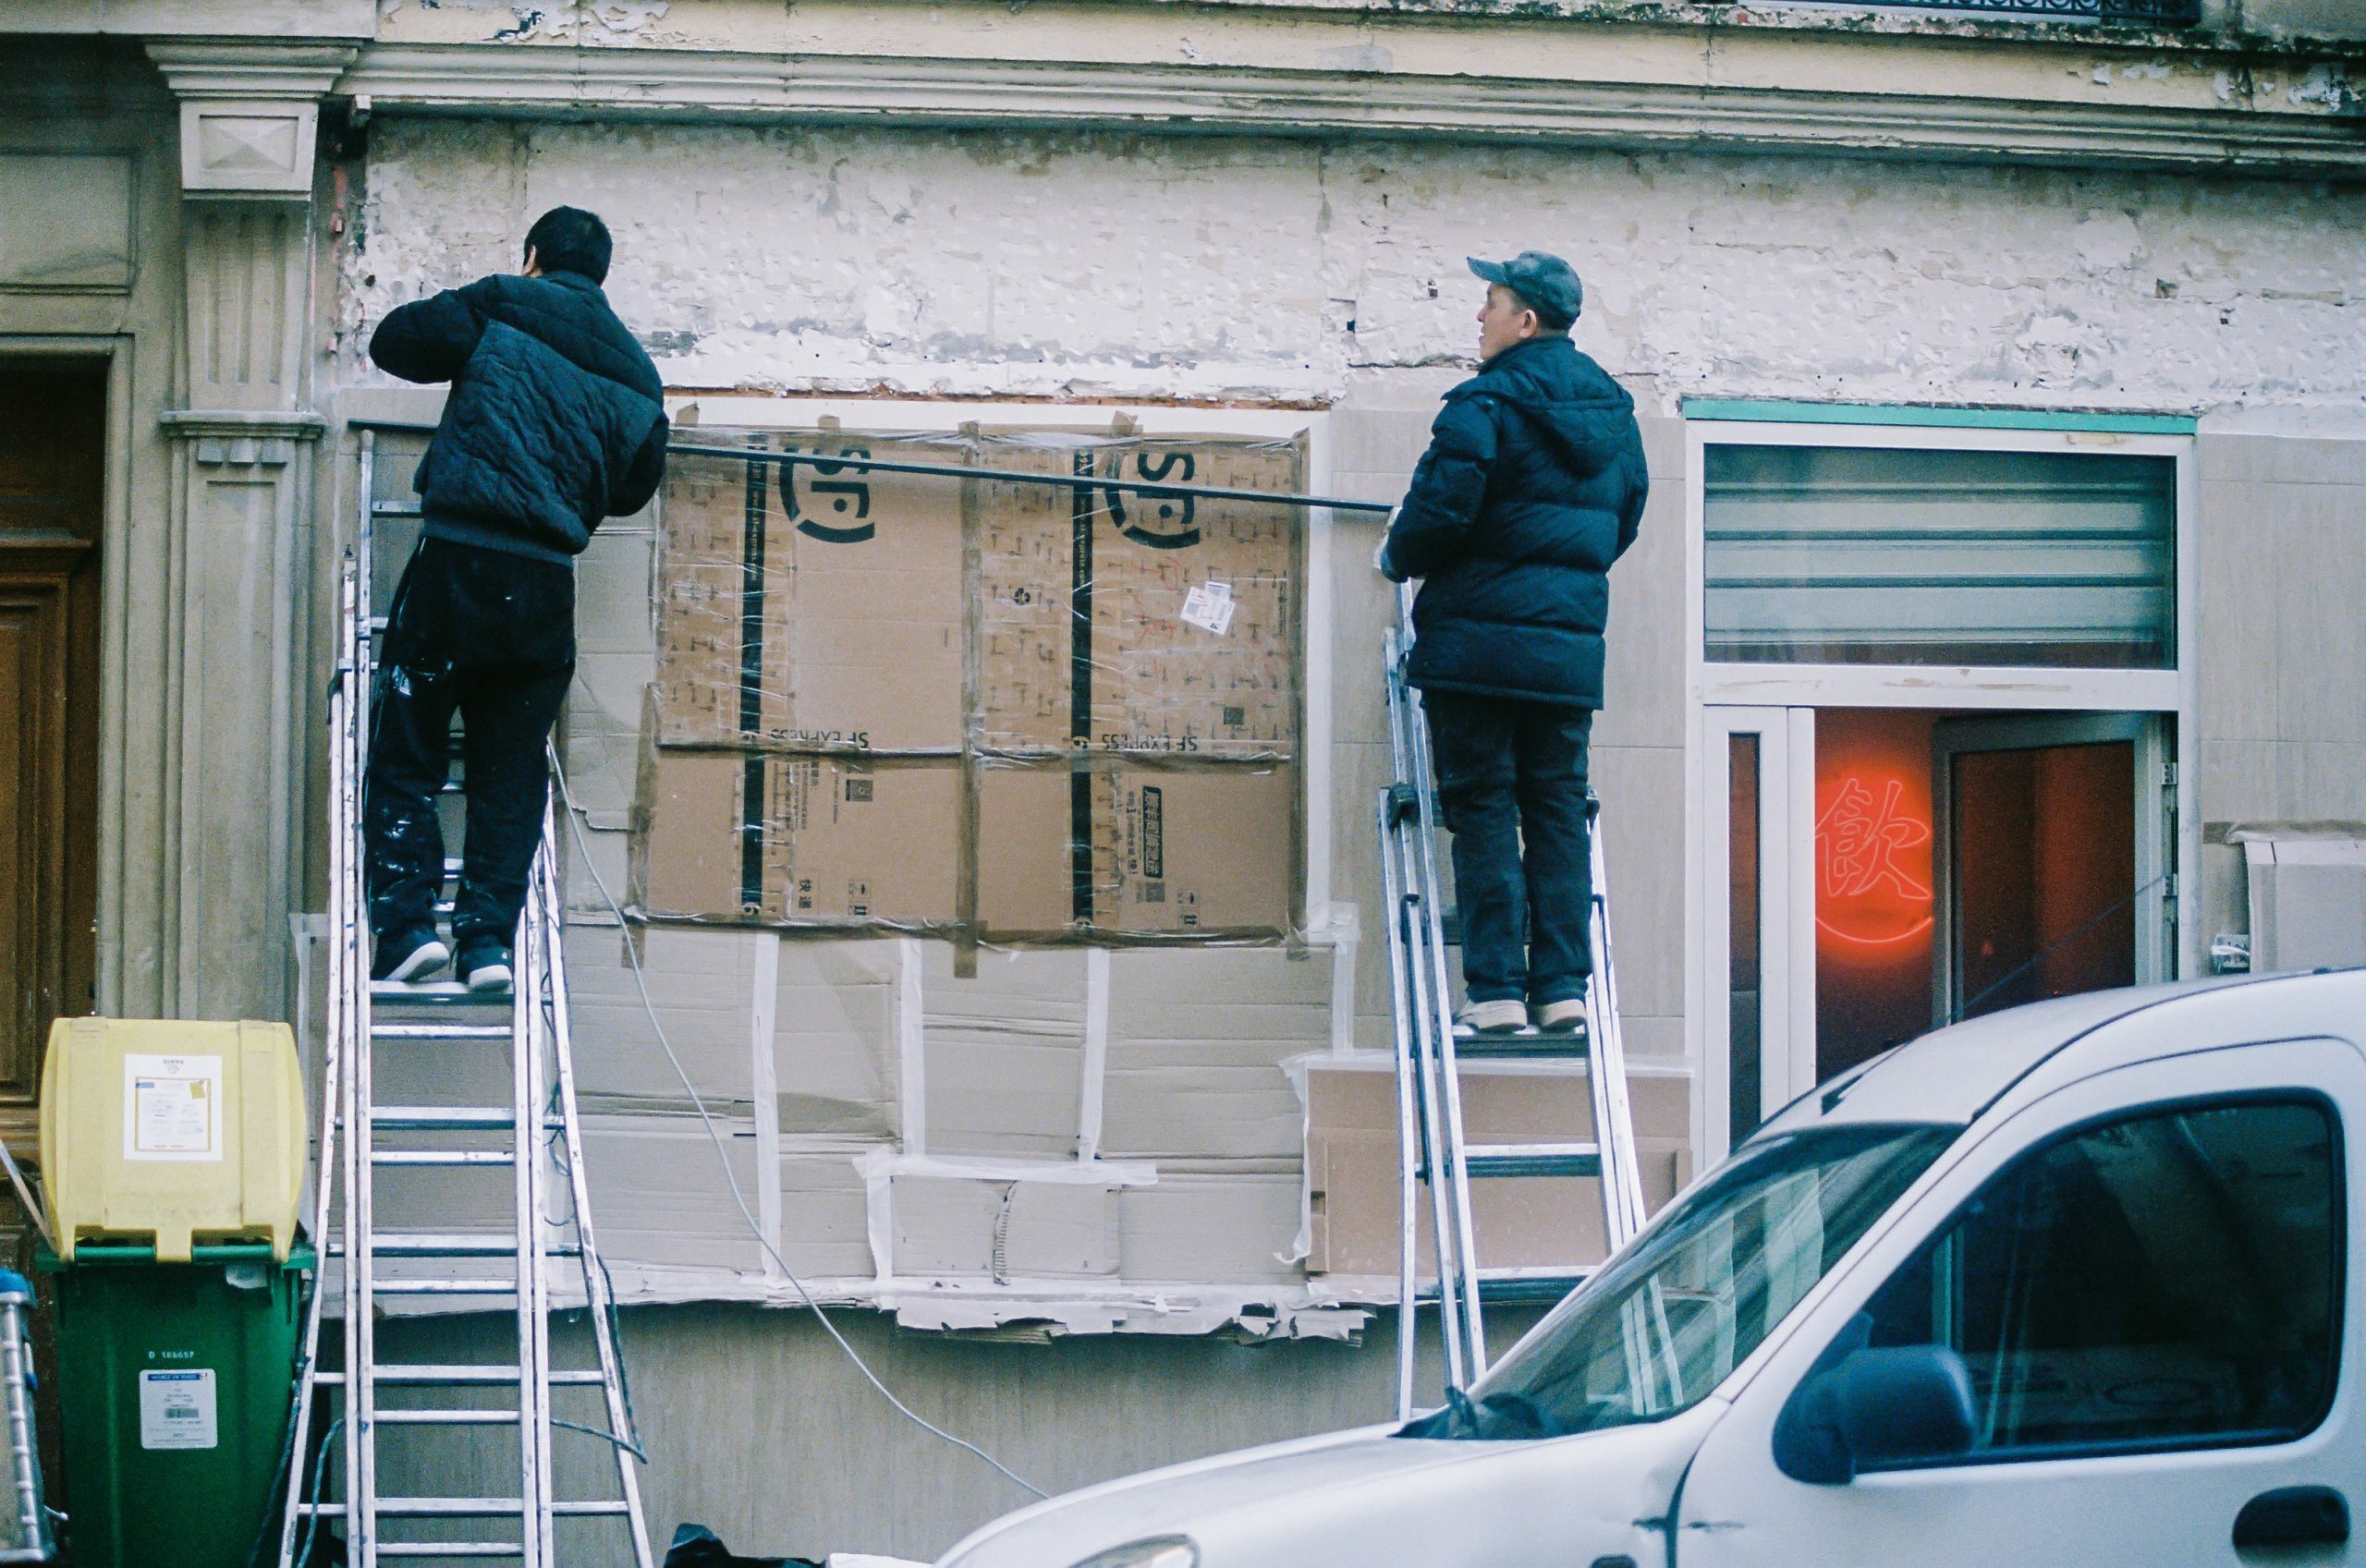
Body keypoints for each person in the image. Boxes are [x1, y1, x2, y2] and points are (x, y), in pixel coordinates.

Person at [363, 206, 669, 988]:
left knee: (408, 744)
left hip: (459, 561)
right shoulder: (638, 372)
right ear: (601, 274)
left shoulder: (505, 301)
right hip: (543, 589)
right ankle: (486, 942)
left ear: (535, 256)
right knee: (510, 770)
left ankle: (405, 930)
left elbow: (395, 342)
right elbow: (636, 486)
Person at [1379, 250, 1648, 1036]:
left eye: (1490, 302)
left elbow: (1437, 516)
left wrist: (1395, 555)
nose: (1479, 315)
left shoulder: (1481, 405)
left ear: (1525, 320)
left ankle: (1496, 989)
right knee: (1557, 806)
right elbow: (1622, 522)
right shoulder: (1615, 414)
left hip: (1475, 651)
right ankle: (1563, 985)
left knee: (1485, 806)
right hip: (1565, 655)